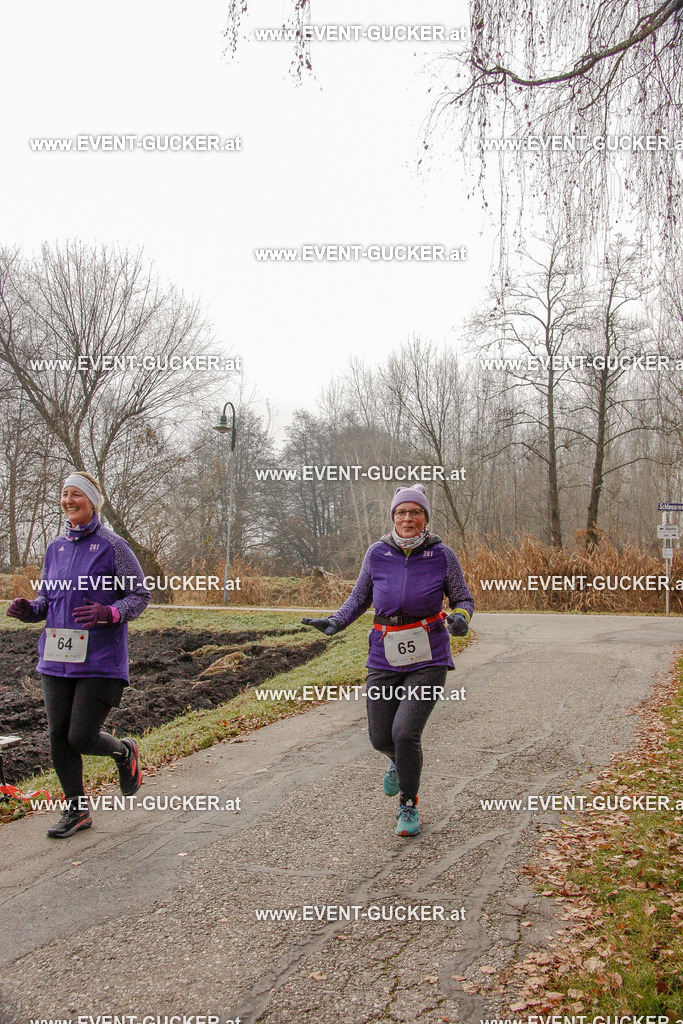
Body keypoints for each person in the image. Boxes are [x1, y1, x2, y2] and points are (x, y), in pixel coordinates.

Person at [302, 483, 473, 837]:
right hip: (383, 653)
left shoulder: (442, 554)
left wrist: (460, 618)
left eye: (415, 512)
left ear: (425, 518)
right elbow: (358, 598)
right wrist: (335, 620)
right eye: (401, 512)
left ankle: (408, 806)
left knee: (405, 732)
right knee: (381, 737)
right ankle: (396, 761)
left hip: (429, 654)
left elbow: (463, 599)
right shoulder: (377, 553)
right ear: (393, 517)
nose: (407, 518)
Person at [6, 471, 151, 838]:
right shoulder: (55, 548)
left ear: (92, 502)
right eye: (65, 494)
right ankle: (77, 811)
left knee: (81, 736)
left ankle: (123, 752)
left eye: (76, 495)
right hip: (55, 656)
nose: (69, 501)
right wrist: (30, 609)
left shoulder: (113, 545)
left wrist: (109, 613)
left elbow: (140, 595)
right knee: (58, 735)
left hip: (100, 657)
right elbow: (48, 601)